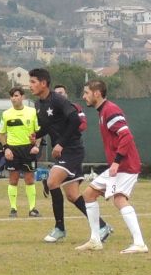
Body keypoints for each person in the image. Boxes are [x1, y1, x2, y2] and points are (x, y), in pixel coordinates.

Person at [30, 68, 111, 244]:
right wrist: (36, 135)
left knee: (52, 182)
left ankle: (59, 228)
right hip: (64, 152)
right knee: (73, 195)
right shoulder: (39, 104)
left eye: (33, 82)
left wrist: (60, 143)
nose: (30, 86)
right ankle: (103, 226)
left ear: (44, 83)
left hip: (72, 150)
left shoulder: (58, 100)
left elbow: (75, 120)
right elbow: (48, 126)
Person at [75, 80, 148, 254]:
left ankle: (139, 243)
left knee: (119, 200)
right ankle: (95, 240)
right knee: (89, 194)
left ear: (97, 93)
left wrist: (116, 161)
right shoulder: (103, 112)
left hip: (125, 165)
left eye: (86, 92)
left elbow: (126, 136)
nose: (84, 96)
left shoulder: (110, 110)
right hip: (120, 164)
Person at [0, 86, 40, 218]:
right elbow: (1, 133)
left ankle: (32, 208)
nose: (14, 98)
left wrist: (37, 146)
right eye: (12, 96)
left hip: (28, 149)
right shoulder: (6, 114)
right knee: (13, 179)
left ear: (22, 97)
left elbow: (39, 131)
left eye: (16, 95)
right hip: (13, 150)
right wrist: (6, 148)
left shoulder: (32, 112)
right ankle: (13, 209)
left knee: (29, 179)